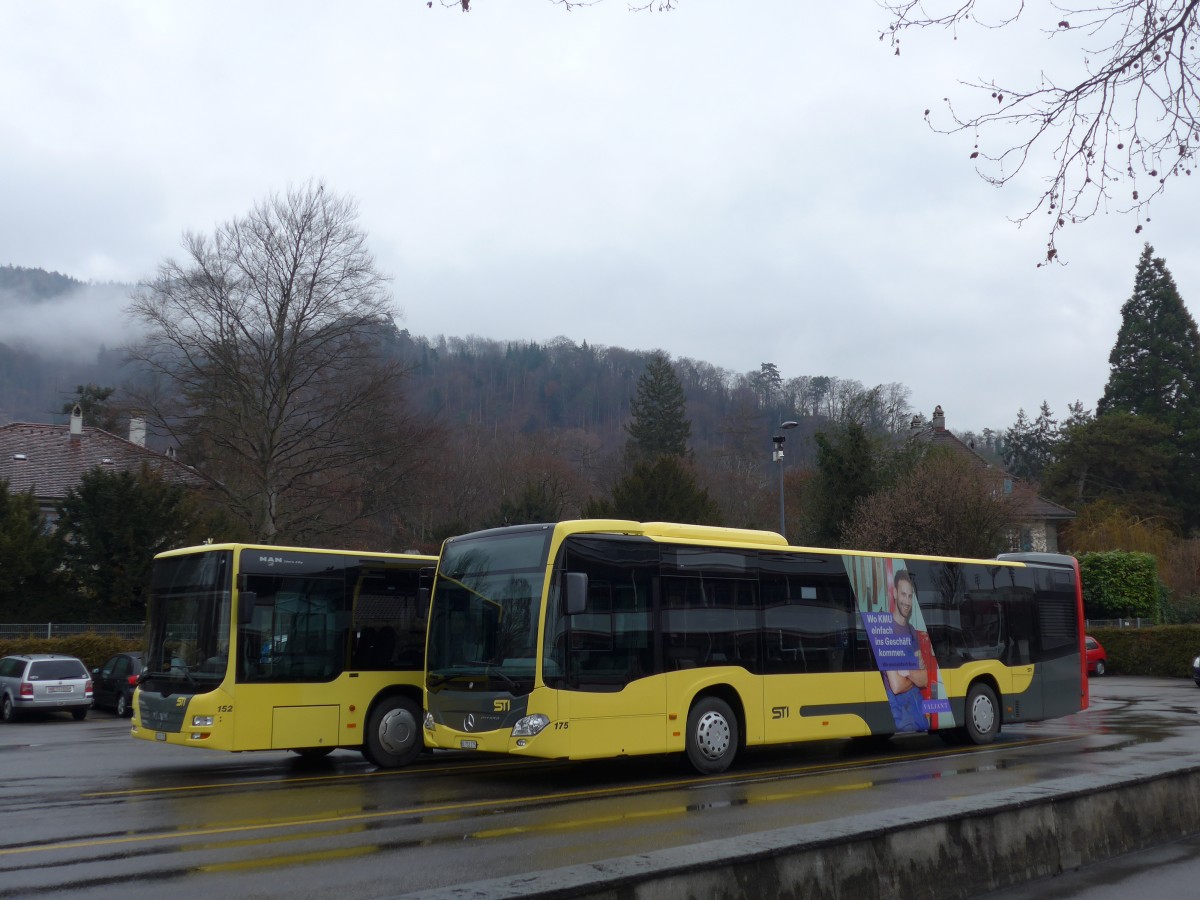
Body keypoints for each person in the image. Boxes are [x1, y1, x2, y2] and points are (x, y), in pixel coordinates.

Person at [882, 569, 929, 732]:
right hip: (901, 712)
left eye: (910, 596)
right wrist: (914, 671)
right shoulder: (886, 631)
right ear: (894, 593)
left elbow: (924, 679)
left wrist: (906, 672)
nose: (907, 601)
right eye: (903, 594)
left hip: (917, 708)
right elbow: (896, 686)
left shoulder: (912, 631)